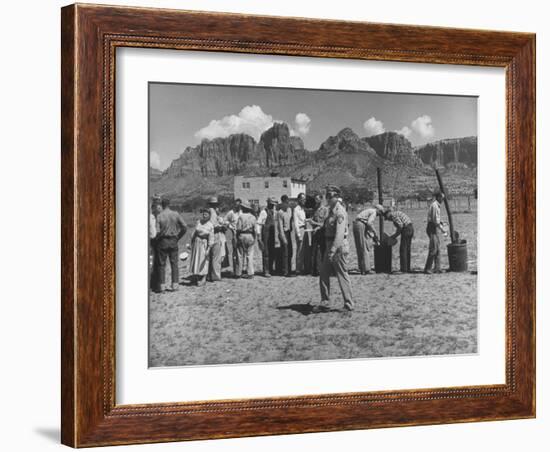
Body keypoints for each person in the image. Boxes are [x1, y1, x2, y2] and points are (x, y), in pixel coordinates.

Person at [318, 185, 354, 312]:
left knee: (341, 275)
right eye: (327, 196)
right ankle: (325, 301)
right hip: (330, 245)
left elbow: (339, 234)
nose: (328, 198)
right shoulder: (331, 211)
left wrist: (332, 250)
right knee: (323, 273)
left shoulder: (340, 212)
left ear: (337, 197)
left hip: (337, 247)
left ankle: (349, 304)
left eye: (330, 196)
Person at [152, 198, 187, 292]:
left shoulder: (159, 216)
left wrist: (157, 239)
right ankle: (175, 285)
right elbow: (184, 227)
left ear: (162, 205)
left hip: (162, 242)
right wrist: (178, 237)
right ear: (169, 204)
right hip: (173, 241)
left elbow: (157, 232)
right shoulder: (175, 214)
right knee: (174, 264)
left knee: (161, 265)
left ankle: (162, 286)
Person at [352, 204, 384, 274]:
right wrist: (375, 233)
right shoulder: (374, 212)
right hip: (360, 225)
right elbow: (369, 223)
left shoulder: (369, 211)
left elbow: (367, 226)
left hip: (357, 224)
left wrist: (373, 236)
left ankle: (362, 268)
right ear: (378, 210)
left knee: (360, 247)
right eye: (381, 212)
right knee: (364, 247)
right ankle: (366, 269)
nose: (380, 215)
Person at [188, 208, 215, 286]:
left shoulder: (210, 225)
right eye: (203, 214)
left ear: (209, 215)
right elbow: (194, 232)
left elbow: (211, 238)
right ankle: (196, 277)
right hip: (196, 243)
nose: (204, 215)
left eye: (206, 214)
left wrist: (208, 249)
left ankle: (203, 278)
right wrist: (191, 243)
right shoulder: (199, 222)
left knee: (204, 261)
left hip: (204, 244)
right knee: (196, 259)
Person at [383, 207, 415, 273]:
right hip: (410, 228)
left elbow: (400, 226)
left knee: (403, 249)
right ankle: (407, 268)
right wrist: (395, 235)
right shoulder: (396, 214)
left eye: (387, 218)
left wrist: (394, 236)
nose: (388, 220)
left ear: (388, 214)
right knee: (407, 249)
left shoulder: (394, 215)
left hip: (406, 229)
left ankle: (403, 269)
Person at [424, 191, 448, 274]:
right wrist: (442, 229)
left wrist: (441, 222)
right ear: (438, 197)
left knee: (437, 248)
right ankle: (427, 268)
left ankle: (437, 268)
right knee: (433, 249)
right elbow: (435, 221)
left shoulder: (437, 206)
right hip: (432, 228)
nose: (443, 199)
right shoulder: (435, 206)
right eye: (442, 198)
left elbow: (437, 219)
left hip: (434, 227)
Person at [235, 202, 257, 279]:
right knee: (250, 254)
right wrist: (254, 237)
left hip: (242, 235)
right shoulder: (253, 217)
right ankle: (250, 272)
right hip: (250, 235)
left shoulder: (241, 217)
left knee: (240, 254)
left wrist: (237, 237)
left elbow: (238, 228)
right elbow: (255, 229)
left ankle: (238, 272)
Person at [207, 196, 226, 282]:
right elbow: (213, 226)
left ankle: (209, 274)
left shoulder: (210, 211)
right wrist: (221, 227)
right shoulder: (212, 212)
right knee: (216, 257)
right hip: (214, 235)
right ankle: (216, 276)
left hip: (211, 235)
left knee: (211, 256)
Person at [310, 194, 329, 276]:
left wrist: (315, 224)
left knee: (323, 251)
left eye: (317, 199)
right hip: (315, 233)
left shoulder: (325, 210)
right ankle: (314, 270)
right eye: (315, 199)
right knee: (314, 251)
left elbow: (324, 223)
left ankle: (324, 269)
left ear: (321, 199)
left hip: (322, 233)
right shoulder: (315, 209)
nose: (316, 201)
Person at [261, 197, 278, 277]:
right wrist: (259, 236)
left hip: (273, 233)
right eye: (271, 204)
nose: (272, 206)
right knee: (266, 252)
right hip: (266, 233)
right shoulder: (264, 212)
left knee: (272, 252)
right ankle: (266, 270)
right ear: (268, 203)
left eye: (273, 205)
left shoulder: (275, 212)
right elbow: (259, 223)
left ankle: (271, 269)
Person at [224, 198, 242, 277]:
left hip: (242, 233)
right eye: (236, 204)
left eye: (238, 204)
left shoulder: (242, 212)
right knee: (235, 253)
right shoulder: (231, 213)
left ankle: (242, 270)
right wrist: (230, 226)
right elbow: (225, 220)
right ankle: (236, 271)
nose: (237, 206)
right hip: (234, 233)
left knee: (242, 253)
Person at [276, 195, 293, 276]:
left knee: (290, 252)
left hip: (289, 233)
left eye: (287, 202)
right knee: (285, 252)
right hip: (284, 233)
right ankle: (285, 271)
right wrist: (283, 238)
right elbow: (280, 226)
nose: (287, 204)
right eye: (285, 202)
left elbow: (290, 220)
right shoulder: (280, 213)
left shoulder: (289, 210)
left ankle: (289, 269)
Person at [292, 192, 307, 275]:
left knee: (303, 250)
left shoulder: (302, 209)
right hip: (300, 230)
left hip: (304, 229)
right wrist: (298, 234)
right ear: (299, 200)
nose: (304, 200)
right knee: (299, 250)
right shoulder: (296, 209)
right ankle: (298, 269)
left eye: (304, 199)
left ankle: (302, 267)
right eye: (302, 199)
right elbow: (296, 223)